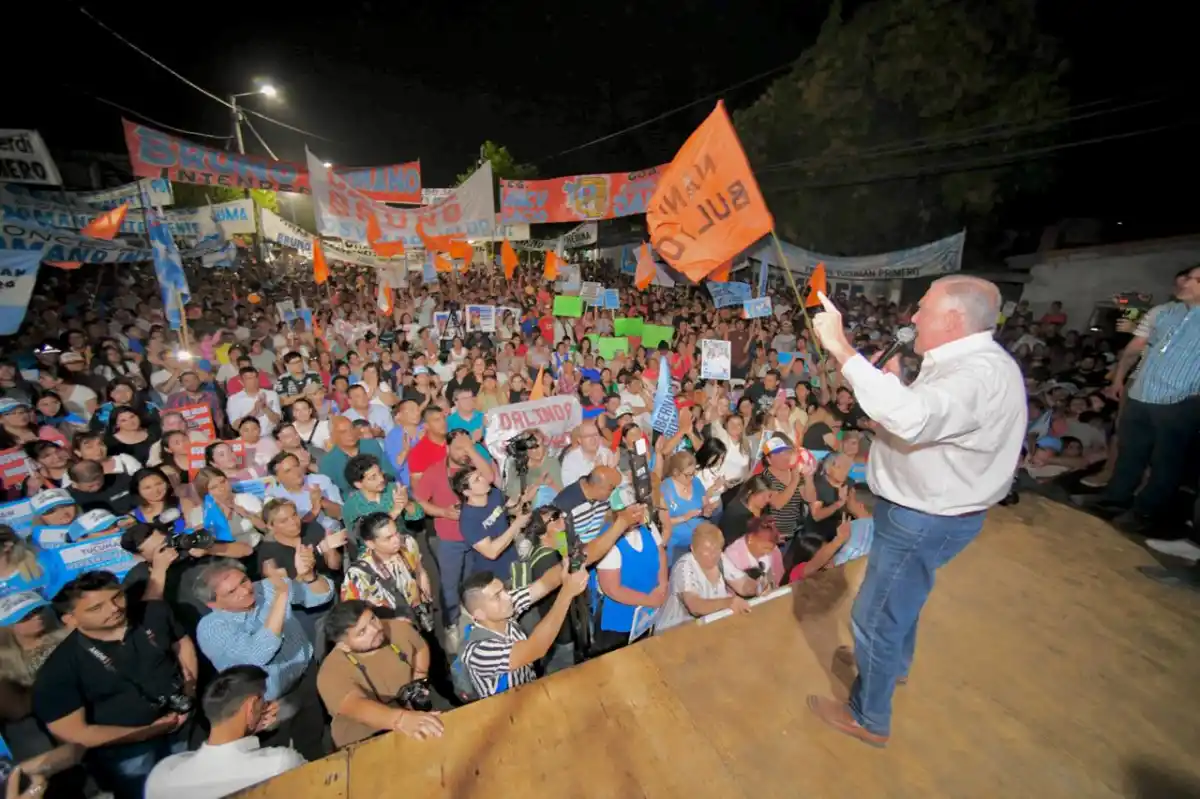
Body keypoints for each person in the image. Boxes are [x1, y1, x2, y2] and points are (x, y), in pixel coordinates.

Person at [806, 278, 1025, 747]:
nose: (911, 318)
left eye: (921, 309)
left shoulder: (976, 376)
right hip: (926, 510)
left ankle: (869, 716)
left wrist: (842, 348)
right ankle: (891, 667)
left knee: (875, 616)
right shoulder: (966, 363)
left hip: (925, 517)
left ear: (953, 320)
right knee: (903, 598)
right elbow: (917, 413)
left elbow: (913, 418)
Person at [32, 572, 199, 799]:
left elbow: (181, 643)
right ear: (70, 619)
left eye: (117, 597)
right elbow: (73, 732)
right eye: (96, 608)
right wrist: (144, 733)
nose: (114, 609)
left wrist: (190, 689)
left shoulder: (154, 613)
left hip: (182, 724)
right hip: (129, 752)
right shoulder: (58, 671)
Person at [1073, 265, 1200, 536]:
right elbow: (1136, 349)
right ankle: (1113, 501)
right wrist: (1119, 378)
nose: (1184, 282)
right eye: (1186, 277)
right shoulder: (1166, 312)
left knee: (1165, 464)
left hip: (1181, 401)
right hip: (1141, 393)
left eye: (1193, 279)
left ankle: (1145, 513)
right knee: (1130, 453)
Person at [193, 557, 334, 762]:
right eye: (232, 592)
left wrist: (310, 576)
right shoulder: (211, 629)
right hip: (267, 705)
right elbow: (259, 654)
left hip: (306, 678)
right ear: (213, 603)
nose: (245, 590)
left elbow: (321, 595)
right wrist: (282, 596)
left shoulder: (266, 587)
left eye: (244, 581)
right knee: (279, 760)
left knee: (313, 741)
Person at [144, 665, 305, 799]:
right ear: (251, 707)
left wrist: (247, 726)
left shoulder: (163, 775)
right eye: (263, 701)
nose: (266, 705)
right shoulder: (280, 764)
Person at [316, 601, 444, 748]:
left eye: (372, 618)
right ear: (343, 645)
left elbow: (420, 647)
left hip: (412, 715)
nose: (375, 629)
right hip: (366, 737)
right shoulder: (331, 672)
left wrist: (419, 677)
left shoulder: (394, 628)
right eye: (362, 632)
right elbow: (356, 705)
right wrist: (401, 720)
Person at [458, 560, 590, 699]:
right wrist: (566, 594)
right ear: (479, 614)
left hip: (529, 691)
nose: (507, 596)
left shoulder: (501, 611)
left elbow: (544, 584)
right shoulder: (479, 651)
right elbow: (536, 648)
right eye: (497, 596)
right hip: (508, 711)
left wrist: (567, 566)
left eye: (504, 590)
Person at [655, 524, 751, 634]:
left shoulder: (721, 559)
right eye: (707, 550)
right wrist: (727, 602)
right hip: (673, 633)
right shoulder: (684, 566)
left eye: (717, 549)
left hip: (706, 629)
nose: (713, 554)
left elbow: (743, 585)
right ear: (693, 549)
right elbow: (695, 606)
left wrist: (758, 586)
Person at [342, 513, 433, 627]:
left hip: (419, 619)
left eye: (396, 533)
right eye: (388, 538)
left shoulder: (408, 544)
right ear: (370, 543)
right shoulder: (358, 574)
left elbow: (419, 570)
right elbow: (352, 618)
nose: (397, 540)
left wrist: (425, 599)